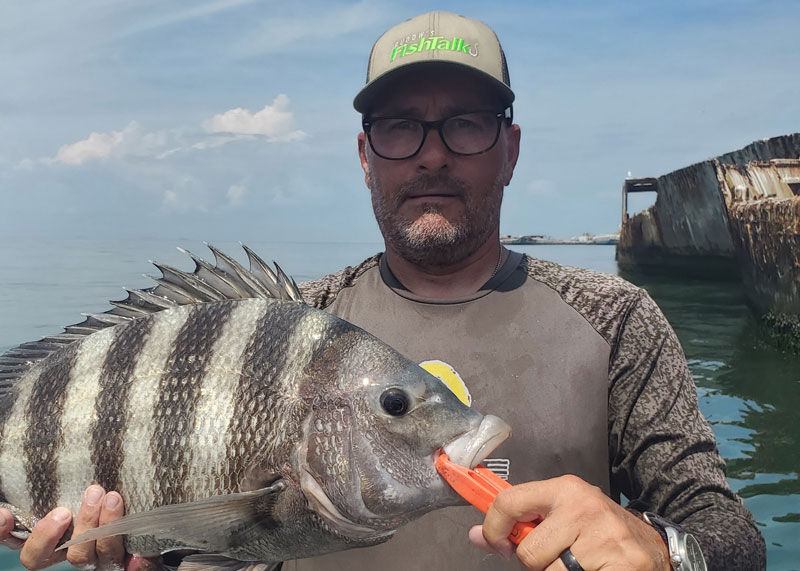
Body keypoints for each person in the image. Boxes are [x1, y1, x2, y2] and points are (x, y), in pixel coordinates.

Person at [1, 10, 765, 571]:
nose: (432, 156)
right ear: (367, 156)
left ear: (512, 148)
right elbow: (219, 544)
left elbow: (729, 532)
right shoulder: (300, 315)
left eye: (465, 124)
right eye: (401, 128)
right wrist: (141, 554)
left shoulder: (617, 319)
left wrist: (667, 551)